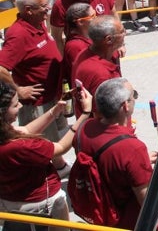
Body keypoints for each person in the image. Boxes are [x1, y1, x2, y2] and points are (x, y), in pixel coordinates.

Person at [74, 78, 158, 230]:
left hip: (101, 218)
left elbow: (108, 164)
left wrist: (139, 162)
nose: (135, 100)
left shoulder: (84, 129)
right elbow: (148, 202)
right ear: (125, 105)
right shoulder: (132, 149)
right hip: (131, 224)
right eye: (134, 96)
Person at [0, 80, 93, 229]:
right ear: (2, 112)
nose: (21, 106)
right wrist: (85, 114)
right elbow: (61, 147)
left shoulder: (5, 135)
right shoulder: (22, 147)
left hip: (9, 200)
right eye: (15, 104)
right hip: (41, 206)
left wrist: (53, 112)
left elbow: (26, 130)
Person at [0, 0, 68, 170]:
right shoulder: (18, 34)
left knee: (57, 132)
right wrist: (18, 89)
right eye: (43, 7)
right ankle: (52, 170)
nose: (48, 10)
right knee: (43, 139)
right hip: (37, 103)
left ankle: (58, 165)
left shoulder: (38, 22)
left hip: (51, 94)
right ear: (28, 10)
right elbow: (1, 68)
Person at [50, 0, 115, 54]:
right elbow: (56, 37)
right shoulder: (61, 5)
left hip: (107, 49)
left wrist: (120, 44)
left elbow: (114, 17)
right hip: (81, 53)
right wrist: (63, 60)